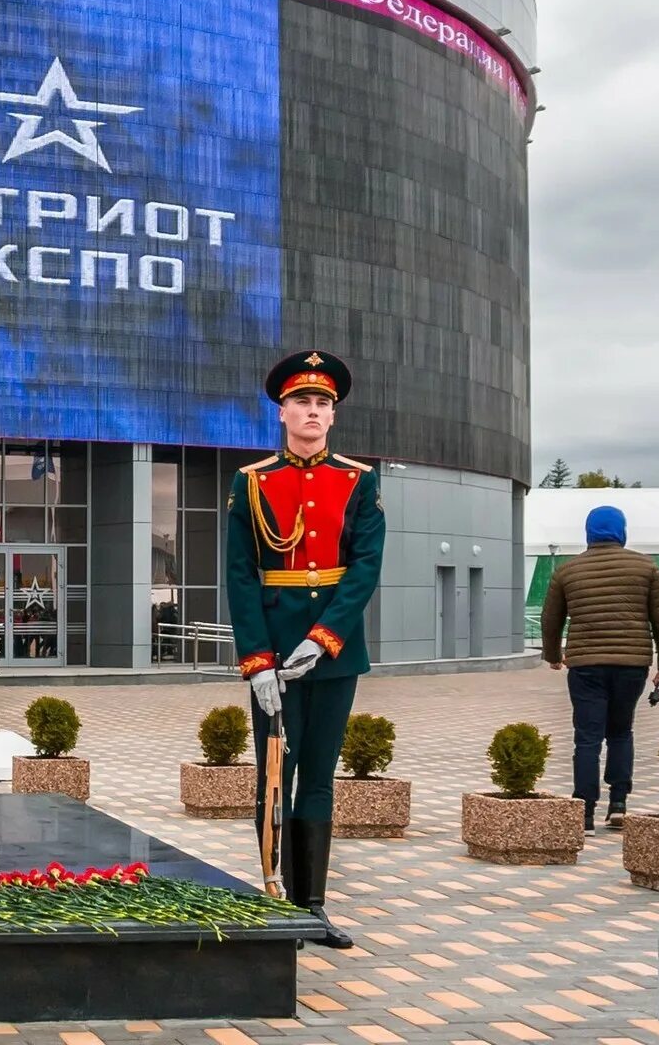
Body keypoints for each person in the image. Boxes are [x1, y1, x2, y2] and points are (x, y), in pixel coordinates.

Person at [225, 349, 384, 950]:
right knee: (273, 776)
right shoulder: (253, 482)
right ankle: (271, 899)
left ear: (333, 416)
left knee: (318, 775)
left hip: (334, 652)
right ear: (283, 411)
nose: (312, 411)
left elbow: (365, 568)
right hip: (272, 650)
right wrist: (257, 661)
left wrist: (324, 640)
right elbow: (241, 575)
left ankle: (311, 906)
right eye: (302, 402)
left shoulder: (359, 481)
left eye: (323, 404)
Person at [538, 505, 659, 834]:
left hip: (585, 665)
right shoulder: (646, 568)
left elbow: (550, 619)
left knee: (586, 738)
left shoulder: (567, 570)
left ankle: (584, 811)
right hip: (631, 665)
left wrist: (554, 655)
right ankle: (618, 804)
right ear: (622, 531)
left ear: (588, 532)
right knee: (620, 732)